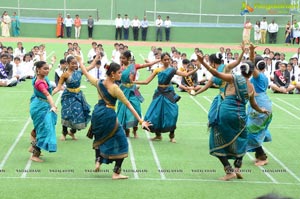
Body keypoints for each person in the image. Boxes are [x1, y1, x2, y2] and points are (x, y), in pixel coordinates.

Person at [197, 54, 269, 181]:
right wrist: (261, 110)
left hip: (226, 112)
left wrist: (203, 62)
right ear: (251, 73)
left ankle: (229, 171)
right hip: (241, 116)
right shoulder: (251, 87)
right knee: (242, 139)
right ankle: (237, 168)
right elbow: (254, 104)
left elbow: (215, 73)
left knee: (216, 139)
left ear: (241, 70)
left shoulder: (233, 78)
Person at [79, 58, 151, 179]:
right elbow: (128, 104)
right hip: (108, 115)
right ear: (112, 74)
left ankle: (98, 160)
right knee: (122, 142)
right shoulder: (115, 88)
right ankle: (116, 172)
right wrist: (140, 121)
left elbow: (85, 73)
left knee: (99, 138)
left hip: (97, 113)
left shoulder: (99, 82)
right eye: (119, 72)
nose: (121, 75)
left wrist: (80, 61)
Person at [134, 52, 200, 143]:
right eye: (164, 59)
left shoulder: (172, 70)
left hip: (169, 93)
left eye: (168, 59)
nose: (166, 61)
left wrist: (197, 68)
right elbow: (146, 81)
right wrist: (134, 82)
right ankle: (158, 135)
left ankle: (172, 136)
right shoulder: (157, 70)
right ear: (161, 60)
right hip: (159, 93)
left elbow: (185, 75)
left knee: (172, 113)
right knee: (156, 113)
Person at [117, 50, 160, 138]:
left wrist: (158, 60)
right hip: (123, 90)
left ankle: (135, 130)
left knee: (136, 109)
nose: (122, 60)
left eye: (123, 58)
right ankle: (126, 131)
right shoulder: (119, 68)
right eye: (121, 58)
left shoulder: (133, 66)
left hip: (133, 90)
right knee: (123, 110)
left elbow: (147, 65)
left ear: (129, 58)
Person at [52, 55, 93, 141]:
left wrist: (96, 59)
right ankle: (64, 132)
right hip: (68, 96)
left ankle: (72, 132)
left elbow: (90, 67)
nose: (75, 65)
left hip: (78, 95)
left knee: (79, 114)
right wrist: (49, 95)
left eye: (76, 63)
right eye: (72, 63)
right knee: (67, 114)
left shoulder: (79, 72)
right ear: (67, 64)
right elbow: (58, 87)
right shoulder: (65, 75)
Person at [247, 44, 273, 166]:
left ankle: (263, 157)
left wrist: (252, 51)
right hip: (260, 103)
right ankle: (258, 155)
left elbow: (251, 63)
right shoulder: (262, 76)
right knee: (254, 130)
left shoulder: (259, 77)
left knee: (250, 131)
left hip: (260, 105)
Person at [29, 61, 57, 162]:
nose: (47, 70)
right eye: (44, 69)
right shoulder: (39, 82)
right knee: (44, 128)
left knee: (41, 126)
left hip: (41, 104)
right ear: (38, 70)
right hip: (40, 107)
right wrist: (53, 106)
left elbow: (49, 93)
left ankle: (33, 145)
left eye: (47, 68)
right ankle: (35, 155)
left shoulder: (43, 77)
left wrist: (52, 62)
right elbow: (48, 95)